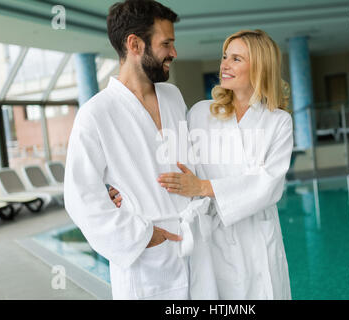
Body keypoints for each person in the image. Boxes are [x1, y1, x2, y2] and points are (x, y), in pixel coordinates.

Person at [110, 29, 294, 299]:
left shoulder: (278, 121)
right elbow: (170, 161)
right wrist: (126, 190)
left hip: (258, 240)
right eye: (224, 56)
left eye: (236, 59)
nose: (224, 65)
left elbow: (268, 185)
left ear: (260, 67)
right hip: (214, 242)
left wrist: (204, 187)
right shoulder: (201, 114)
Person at [64, 0, 218, 300]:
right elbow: (79, 196)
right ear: (134, 44)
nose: (174, 53)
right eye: (166, 43)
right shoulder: (96, 114)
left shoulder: (172, 96)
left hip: (195, 245)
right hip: (148, 260)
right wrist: (144, 237)